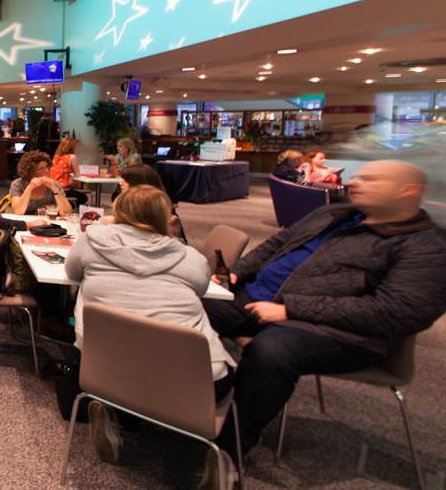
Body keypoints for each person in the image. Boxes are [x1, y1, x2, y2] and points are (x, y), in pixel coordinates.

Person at [203, 160, 446, 476]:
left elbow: (394, 314)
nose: (356, 182)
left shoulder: (426, 248)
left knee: (272, 353)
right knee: (180, 307)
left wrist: (291, 310)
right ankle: (161, 408)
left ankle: (229, 453)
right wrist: (235, 274)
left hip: (332, 331)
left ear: (407, 191)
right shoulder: (332, 213)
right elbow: (275, 245)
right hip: (254, 299)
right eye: (358, 177)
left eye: (371, 179)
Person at [66, 185, 235, 469]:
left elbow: (72, 273)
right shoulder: (188, 257)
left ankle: (113, 409)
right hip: (193, 383)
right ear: (166, 216)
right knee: (234, 374)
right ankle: (218, 459)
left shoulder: (92, 240)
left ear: (118, 211)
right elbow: (201, 288)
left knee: (85, 299)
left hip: (105, 370)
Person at [110, 164, 186, 242]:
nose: (120, 183)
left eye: (125, 181)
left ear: (139, 185)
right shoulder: (127, 205)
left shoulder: (168, 220)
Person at [8, 151, 72, 217]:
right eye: (41, 169)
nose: (47, 171)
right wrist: (30, 187)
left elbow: (66, 213)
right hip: (24, 224)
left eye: (47, 167)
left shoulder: (53, 184)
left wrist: (55, 189)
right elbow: (18, 211)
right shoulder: (18, 184)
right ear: (30, 171)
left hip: (46, 224)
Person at [49, 138, 89, 206]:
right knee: (84, 198)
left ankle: (68, 205)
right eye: (75, 146)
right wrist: (70, 175)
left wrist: (69, 175)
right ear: (71, 147)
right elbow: (77, 174)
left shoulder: (56, 157)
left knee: (75, 197)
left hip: (52, 188)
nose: (76, 148)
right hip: (63, 189)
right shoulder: (72, 157)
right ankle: (70, 207)